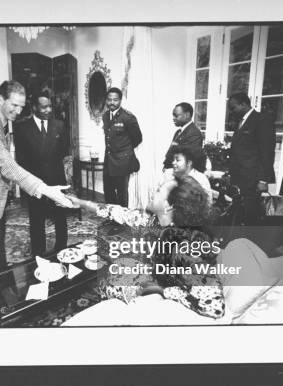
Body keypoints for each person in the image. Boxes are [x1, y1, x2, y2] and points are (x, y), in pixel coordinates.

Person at [65, 175, 224, 320]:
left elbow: (215, 308)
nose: (153, 192)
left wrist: (162, 292)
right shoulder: (156, 220)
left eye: (158, 190)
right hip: (158, 276)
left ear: (169, 207)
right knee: (117, 267)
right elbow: (118, 212)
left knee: (110, 282)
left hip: (163, 295)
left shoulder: (186, 248)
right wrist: (81, 203)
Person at [0, 81, 73, 275]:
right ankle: (0, 295)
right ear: (1, 99)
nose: (18, 111)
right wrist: (45, 189)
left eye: (21, 106)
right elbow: (7, 164)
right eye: (14, 105)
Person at [14, 92, 69, 256]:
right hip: (35, 183)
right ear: (34, 108)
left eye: (50, 106)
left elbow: (63, 152)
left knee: (60, 217)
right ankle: (38, 254)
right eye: (44, 107)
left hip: (56, 180)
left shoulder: (59, 125)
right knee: (36, 219)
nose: (48, 110)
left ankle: (62, 249)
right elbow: (21, 160)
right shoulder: (22, 128)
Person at [227, 93, 276, 224]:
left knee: (251, 212)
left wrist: (263, 180)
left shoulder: (262, 120)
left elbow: (267, 152)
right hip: (239, 176)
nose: (231, 112)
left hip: (252, 177)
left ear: (244, 104)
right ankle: (239, 237)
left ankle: (251, 238)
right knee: (240, 209)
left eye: (233, 108)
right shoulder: (241, 122)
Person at [102, 87, 142, 207]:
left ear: (120, 100)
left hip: (122, 162)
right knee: (108, 191)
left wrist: (123, 150)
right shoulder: (105, 116)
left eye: (115, 100)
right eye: (109, 99)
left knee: (121, 193)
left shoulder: (128, 117)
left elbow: (137, 138)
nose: (112, 102)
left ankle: (121, 223)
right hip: (109, 160)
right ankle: (112, 218)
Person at [162, 102, 205, 175]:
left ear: (187, 115)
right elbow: (171, 152)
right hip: (174, 172)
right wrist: (166, 166)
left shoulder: (194, 134)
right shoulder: (178, 132)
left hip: (183, 176)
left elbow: (189, 159)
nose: (173, 118)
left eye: (176, 115)